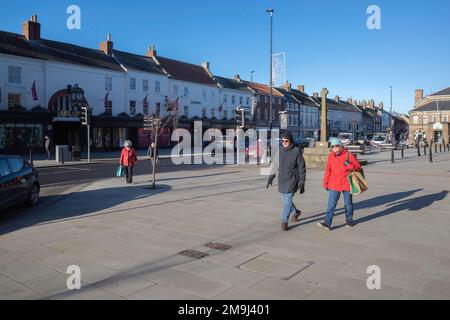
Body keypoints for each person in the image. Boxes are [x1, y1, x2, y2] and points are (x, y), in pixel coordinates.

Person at [317, 137, 361, 231]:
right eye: (332, 146)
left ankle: (349, 220)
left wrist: (350, 166)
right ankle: (327, 223)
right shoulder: (331, 156)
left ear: (340, 146)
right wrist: (325, 182)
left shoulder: (348, 155)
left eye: (336, 146)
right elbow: (328, 170)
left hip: (346, 183)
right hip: (334, 184)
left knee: (348, 203)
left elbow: (358, 166)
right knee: (331, 204)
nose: (335, 148)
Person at [267, 132, 306, 231]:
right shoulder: (280, 151)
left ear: (290, 141)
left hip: (292, 179)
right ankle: (295, 212)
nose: (284, 142)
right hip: (282, 179)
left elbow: (302, 168)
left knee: (287, 200)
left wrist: (302, 183)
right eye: (282, 141)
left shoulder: (297, 151)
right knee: (285, 200)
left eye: (286, 141)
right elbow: (275, 165)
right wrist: (270, 177)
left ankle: (284, 221)